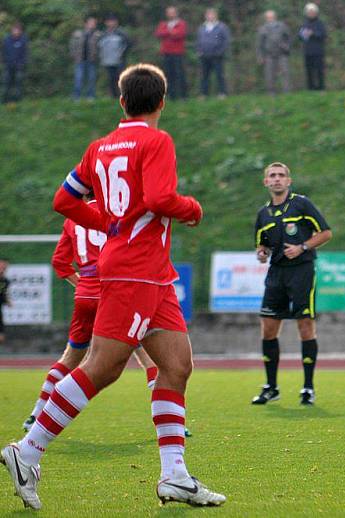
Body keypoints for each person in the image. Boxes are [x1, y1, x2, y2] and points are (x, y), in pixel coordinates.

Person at [1, 64, 224, 510]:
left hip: (152, 274)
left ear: (121, 102)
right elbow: (162, 200)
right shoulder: (157, 140)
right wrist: (191, 208)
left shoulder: (100, 146)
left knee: (177, 364)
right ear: (162, 102)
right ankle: (27, 451)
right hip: (135, 270)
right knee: (102, 366)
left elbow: (64, 201)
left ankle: (174, 475)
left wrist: (104, 220)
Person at [21, 198, 192, 438]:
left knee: (72, 357)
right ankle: (175, 422)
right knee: (149, 356)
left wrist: (82, 285)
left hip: (85, 297)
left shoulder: (73, 218)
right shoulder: (117, 211)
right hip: (115, 292)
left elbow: (60, 262)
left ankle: (36, 413)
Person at [252, 162, 333, 406]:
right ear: (266, 182)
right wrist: (262, 253)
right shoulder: (263, 214)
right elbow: (261, 244)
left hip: (302, 271)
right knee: (268, 328)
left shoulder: (301, 204)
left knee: (305, 325)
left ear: (289, 181)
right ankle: (271, 387)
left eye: (281, 175)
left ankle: (308, 388)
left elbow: (326, 233)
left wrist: (302, 247)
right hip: (276, 273)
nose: (277, 179)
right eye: (272, 176)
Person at [155, 6, 188, 99]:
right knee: (169, 74)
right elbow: (158, 33)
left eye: (172, 12)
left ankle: (183, 96)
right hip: (166, 53)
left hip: (178, 53)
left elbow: (180, 34)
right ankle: (171, 95)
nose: (171, 14)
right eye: (169, 12)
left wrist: (168, 33)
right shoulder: (163, 23)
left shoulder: (181, 23)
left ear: (176, 13)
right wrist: (171, 32)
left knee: (180, 74)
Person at [197, 8, 230, 97]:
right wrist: (199, 51)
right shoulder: (202, 27)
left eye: (212, 15)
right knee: (204, 76)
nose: (210, 16)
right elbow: (199, 41)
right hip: (204, 55)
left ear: (215, 16)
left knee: (219, 75)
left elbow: (226, 41)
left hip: (217, 55)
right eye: (208, 15)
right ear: (206, 16)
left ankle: (222, 93)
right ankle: (204, 94)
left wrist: (220, 52)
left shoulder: (222, 27)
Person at [257, 10, 291, 95]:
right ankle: (271, 92)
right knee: (269, 75)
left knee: (285, 73)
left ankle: (287, 92)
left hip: (282, 53)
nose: (270, 19)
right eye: (268, 17)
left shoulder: (282, 26)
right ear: (265, 18)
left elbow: (288, 37)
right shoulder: (262, 28)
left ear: (275, 17)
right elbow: (259, 44)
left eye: (271, 17)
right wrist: (260, 56)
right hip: (269, 55)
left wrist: (287, 47)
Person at [97, 15, 130, 98]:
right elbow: (98, 46)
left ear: (116, 22)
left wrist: (122, 54)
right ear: (106, 23)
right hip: (107, 60)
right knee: (111, 78)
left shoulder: (122, 33)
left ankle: (123, 95)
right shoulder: (103, 34)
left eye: (113, 21)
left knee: (121, 77)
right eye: (109, 21)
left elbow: (128, 45)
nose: (111, 23)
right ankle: (113, 96)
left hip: (120, 60)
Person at [69, 16, 101, 101]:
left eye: (94, 23)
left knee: (91, 79)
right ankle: (77, 96)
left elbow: (100, 47)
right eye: (90, 23)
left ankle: (90, 96)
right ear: (86, 24)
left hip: (91, 60)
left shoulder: (97, 35)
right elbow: (72, 45)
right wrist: (73, 56)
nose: (92, 25)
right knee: (78, 79)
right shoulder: (78, 34)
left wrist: (97, 56)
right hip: (80, 60)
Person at [299, 3, 327, 91]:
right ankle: (310, 88)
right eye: (309, 12)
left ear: (316, 13)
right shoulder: (304, 24)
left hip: (318, 51)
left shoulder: (320, 23)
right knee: (309, 71)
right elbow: (300, 36)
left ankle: (321, 88)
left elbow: (323, 35)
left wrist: (313, 34)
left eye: (312, 12)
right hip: (307, 51)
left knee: (319, 71)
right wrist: (303, 35)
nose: (311, 13)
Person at [2, 23, 27, 103]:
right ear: (12, 31)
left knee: (18, 84)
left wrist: (22, 63)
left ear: (20, 31)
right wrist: (4, 61)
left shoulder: (23, 40)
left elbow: (25, 53)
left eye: (18, 30)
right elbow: (3, 52)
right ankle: (4, 100)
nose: (16, 32)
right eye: (14, 30)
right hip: (8, 66)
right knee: (6, 83)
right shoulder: (6, 40)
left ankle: (17, 101)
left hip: (19, 67)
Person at [0, 259, 9, 344]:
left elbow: (3, 293)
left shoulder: (5, 281)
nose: (3, 269)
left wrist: (8, 301)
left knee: (1, 337)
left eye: (4, 268)